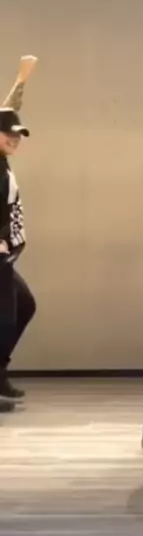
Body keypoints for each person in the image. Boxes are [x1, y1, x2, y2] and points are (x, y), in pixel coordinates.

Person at [0, 107, 36, 411]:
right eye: (8, 134)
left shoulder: (3, 163)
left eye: (18, 135)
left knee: (23, 306)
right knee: (5, 319)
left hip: (6, 257)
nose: (14, 139)